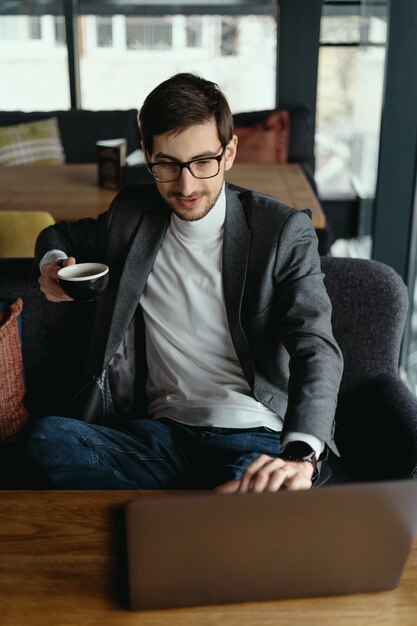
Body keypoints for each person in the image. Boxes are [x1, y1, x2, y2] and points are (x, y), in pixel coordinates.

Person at [26, 73, 343, 492]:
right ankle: (202, 511)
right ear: (147, 154)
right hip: (160, 438)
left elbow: (316, 346)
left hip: (253, 435)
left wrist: (300, 457)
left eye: (203, 162)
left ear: (229, 152)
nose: (186, 184)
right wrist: (52, 264)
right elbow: (59, 235)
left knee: (252, 490)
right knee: (48, 440)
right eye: (168, 165)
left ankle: (193, 511)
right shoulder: (132, 214)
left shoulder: (282, 231)